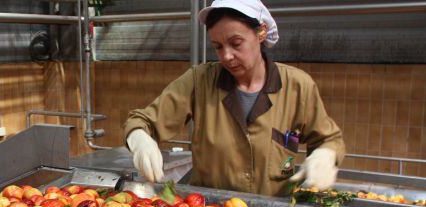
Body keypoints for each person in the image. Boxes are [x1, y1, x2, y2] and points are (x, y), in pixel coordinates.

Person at [124, 0, 345, 196]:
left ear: (261, 32)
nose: (227, 56)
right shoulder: (200, 81)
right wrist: (140, 139)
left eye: (236, 43)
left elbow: (329, 138)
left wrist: (326, 153)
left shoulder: (297, 86)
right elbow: (142, 120)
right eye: (218, 47)